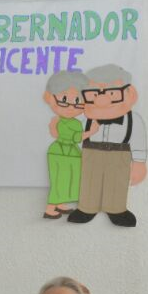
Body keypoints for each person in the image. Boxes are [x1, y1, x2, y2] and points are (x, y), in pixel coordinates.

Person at [66, 63, 147, 227]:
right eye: (94, 94)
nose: (102, 100)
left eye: (112, 93)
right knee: (89, 181)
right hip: (91, 154)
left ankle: (117, 209)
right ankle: (87, 208)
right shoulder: (85, 119)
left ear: (128, 92)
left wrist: (139, 163)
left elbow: (138, 141)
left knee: (117, 182)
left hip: (120, 156)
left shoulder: (134, 120)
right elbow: (74, 136)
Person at [41, 70, 93, 219]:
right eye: (63, 100)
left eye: (78, 102)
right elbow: (76, 137)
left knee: (69, 179)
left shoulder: (69, 121)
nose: (71, 106)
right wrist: (91, 131)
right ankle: (51, 208)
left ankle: (60, 203)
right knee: (59, 180)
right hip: (62, 152)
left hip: (70, 153)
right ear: (49, 97)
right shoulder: (66, 122)